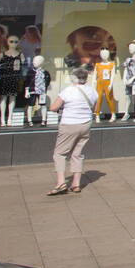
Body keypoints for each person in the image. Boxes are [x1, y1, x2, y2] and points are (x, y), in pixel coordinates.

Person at [46, 65, 98, 194]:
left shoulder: (68, 90)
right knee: (77, 154)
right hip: (85, 124)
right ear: (86, 79)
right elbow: (96, 110)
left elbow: (53, 107)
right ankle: (76, 184)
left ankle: (61, 182)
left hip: (69, 124)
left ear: (74, 78)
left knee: (60, 153)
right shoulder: (92, 91)